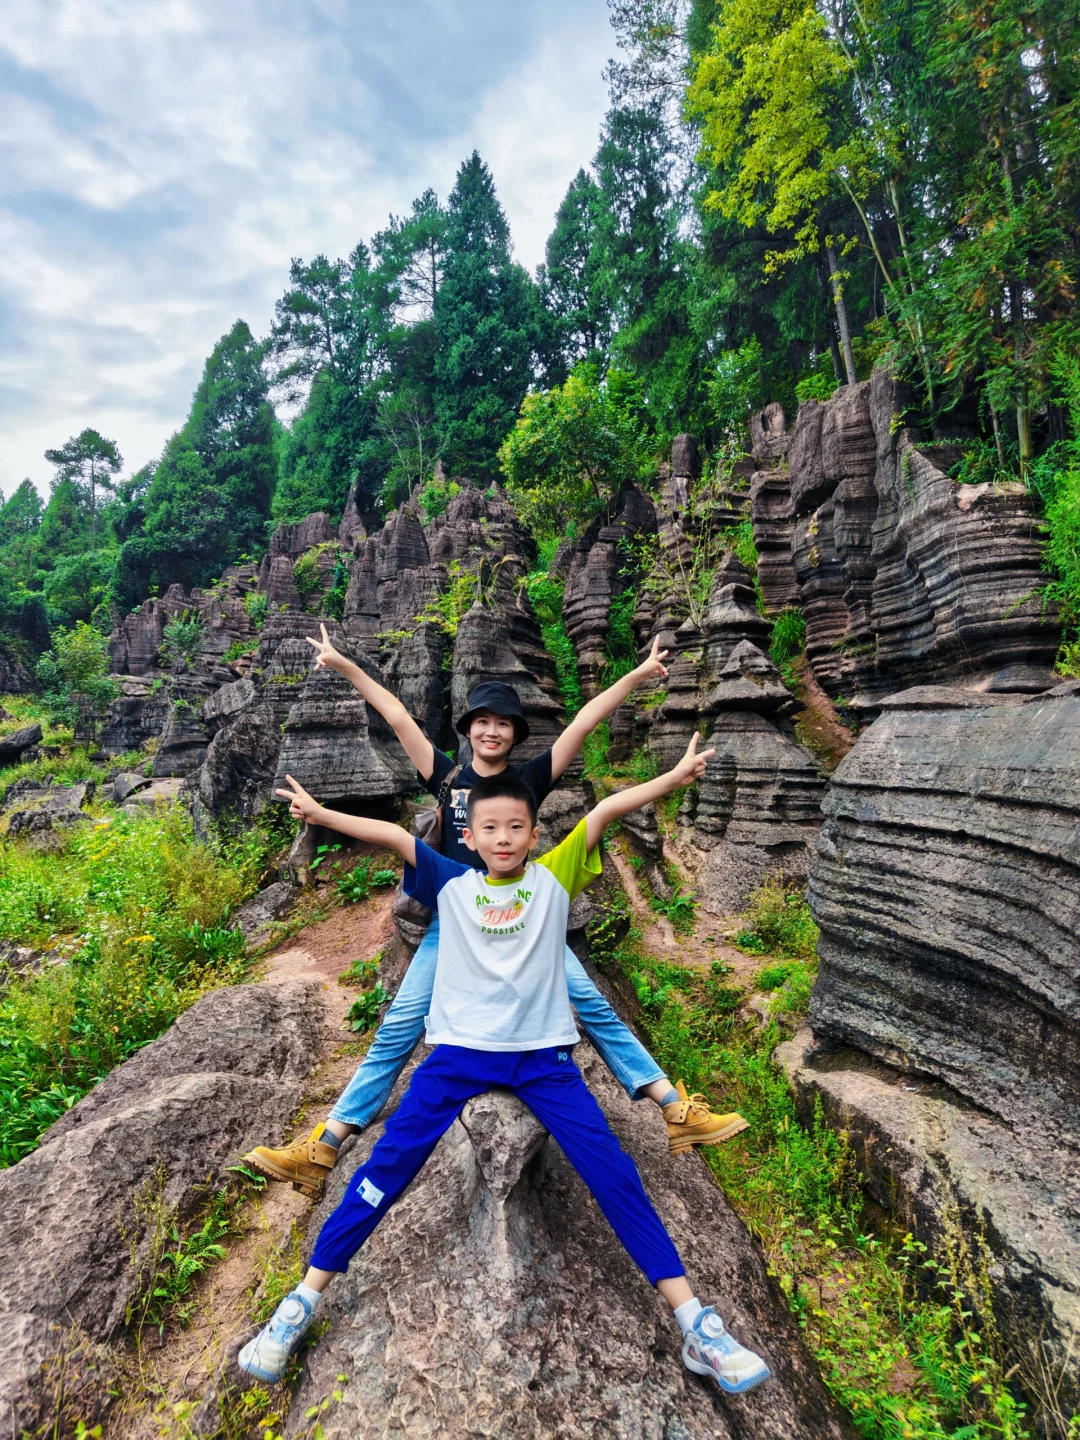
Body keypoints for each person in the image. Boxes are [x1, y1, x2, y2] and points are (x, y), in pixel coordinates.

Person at [238, 742, 771, 1398]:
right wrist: (322, 812)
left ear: (533, 832)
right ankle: (300, 1305)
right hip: (455, 1059)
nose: (504, 838)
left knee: (616, 1178)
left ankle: (697, 1324)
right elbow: (389, 837)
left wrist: (673, 777)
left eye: (516, 826)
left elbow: (605, 810)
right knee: (382, 1174)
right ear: (473, 834)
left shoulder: (552, 878)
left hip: (544, 1063)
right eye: (489, 828)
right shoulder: (453, 884)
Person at [244, 626, 747, 1193]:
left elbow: (582, 723)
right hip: (457, 923)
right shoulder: (447, 776)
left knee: (593, 1005)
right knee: (399, 1026)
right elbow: (398, 719)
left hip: (525, 921)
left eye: (502, 722)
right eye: (481, 721)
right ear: (469, 729)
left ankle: (676, 1110)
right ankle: (326, 1145)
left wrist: (635, 675)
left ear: (514, 733)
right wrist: (345, 666)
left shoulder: (530, 779)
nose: (491, 730)